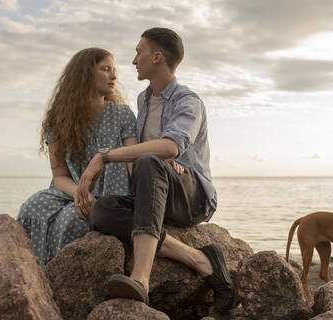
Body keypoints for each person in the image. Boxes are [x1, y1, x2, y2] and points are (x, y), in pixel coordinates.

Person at [76, 27, 234, 313]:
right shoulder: (143, 100)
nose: (134, 60)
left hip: (192, 197)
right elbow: (152, 154)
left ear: (157, 57)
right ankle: (199, 258)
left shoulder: (188, 101)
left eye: (139, 52)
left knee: (149, 160)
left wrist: (104, 157)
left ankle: (141, 279)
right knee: (102, 211)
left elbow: (171, 147)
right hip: (157, 192)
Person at [17, 48, 137, 266]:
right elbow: (60, 175)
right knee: (31, 208)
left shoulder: (122, 114)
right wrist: (80, 194)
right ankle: (31, 273)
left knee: (72, 220)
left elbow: (133, 162)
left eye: (114, 70)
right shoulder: (60, 120)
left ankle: (58, 278)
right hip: (69, 192)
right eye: (105, 69)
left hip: (111, 194)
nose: (114, 76)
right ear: (85, 74)